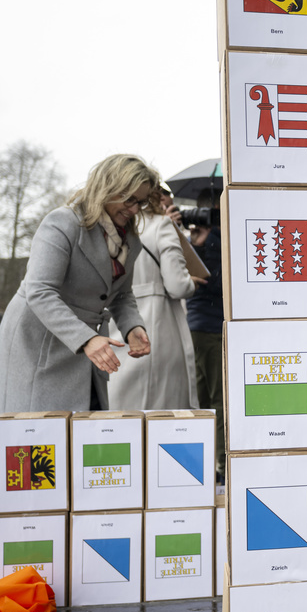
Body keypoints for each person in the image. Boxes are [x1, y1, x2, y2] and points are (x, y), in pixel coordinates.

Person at [0, 154, 157, 413]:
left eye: (141, 202)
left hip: (88, 345)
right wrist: (86, 339)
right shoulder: (62, 222)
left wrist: (133, 326)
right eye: (129, 198)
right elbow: (40, 291)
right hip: (38, 341)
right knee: (35, 435)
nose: (134, 209)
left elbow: (121, 294)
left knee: (82, 430)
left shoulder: (131, 240)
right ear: (107, 187)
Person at [108, 185, 204, 410]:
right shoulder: (160, 224)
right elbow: (177, 286)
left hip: (116, 325)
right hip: (157, 326)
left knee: (120, 410)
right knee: (162, 414)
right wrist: (192, 282)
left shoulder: (113, 225)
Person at [185, 190, 226, 482]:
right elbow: (200, 280)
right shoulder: (196, 242)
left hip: (204, 325)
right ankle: (218, 464)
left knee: (210, 397)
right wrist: (197, 243)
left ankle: (216, 462)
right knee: (212, 399)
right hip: (203, 326)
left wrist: (207, 242)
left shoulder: (216, 240)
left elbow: (217, 281)